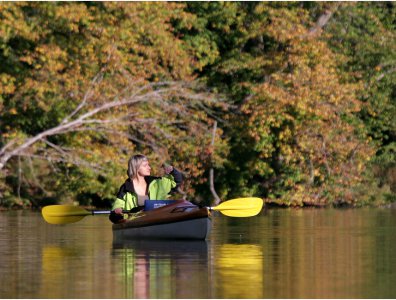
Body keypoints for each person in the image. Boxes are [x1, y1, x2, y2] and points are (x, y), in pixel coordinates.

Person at [109, 154, 183, 223]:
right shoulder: (125, 188)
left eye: (148, 165)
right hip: (135, 223)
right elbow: (113, 215)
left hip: (156, 221)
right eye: (145, 165)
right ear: (136, 168)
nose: (149, 168)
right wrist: (117, 214)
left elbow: (177, 181)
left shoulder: (157, 183)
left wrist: (173, 171)